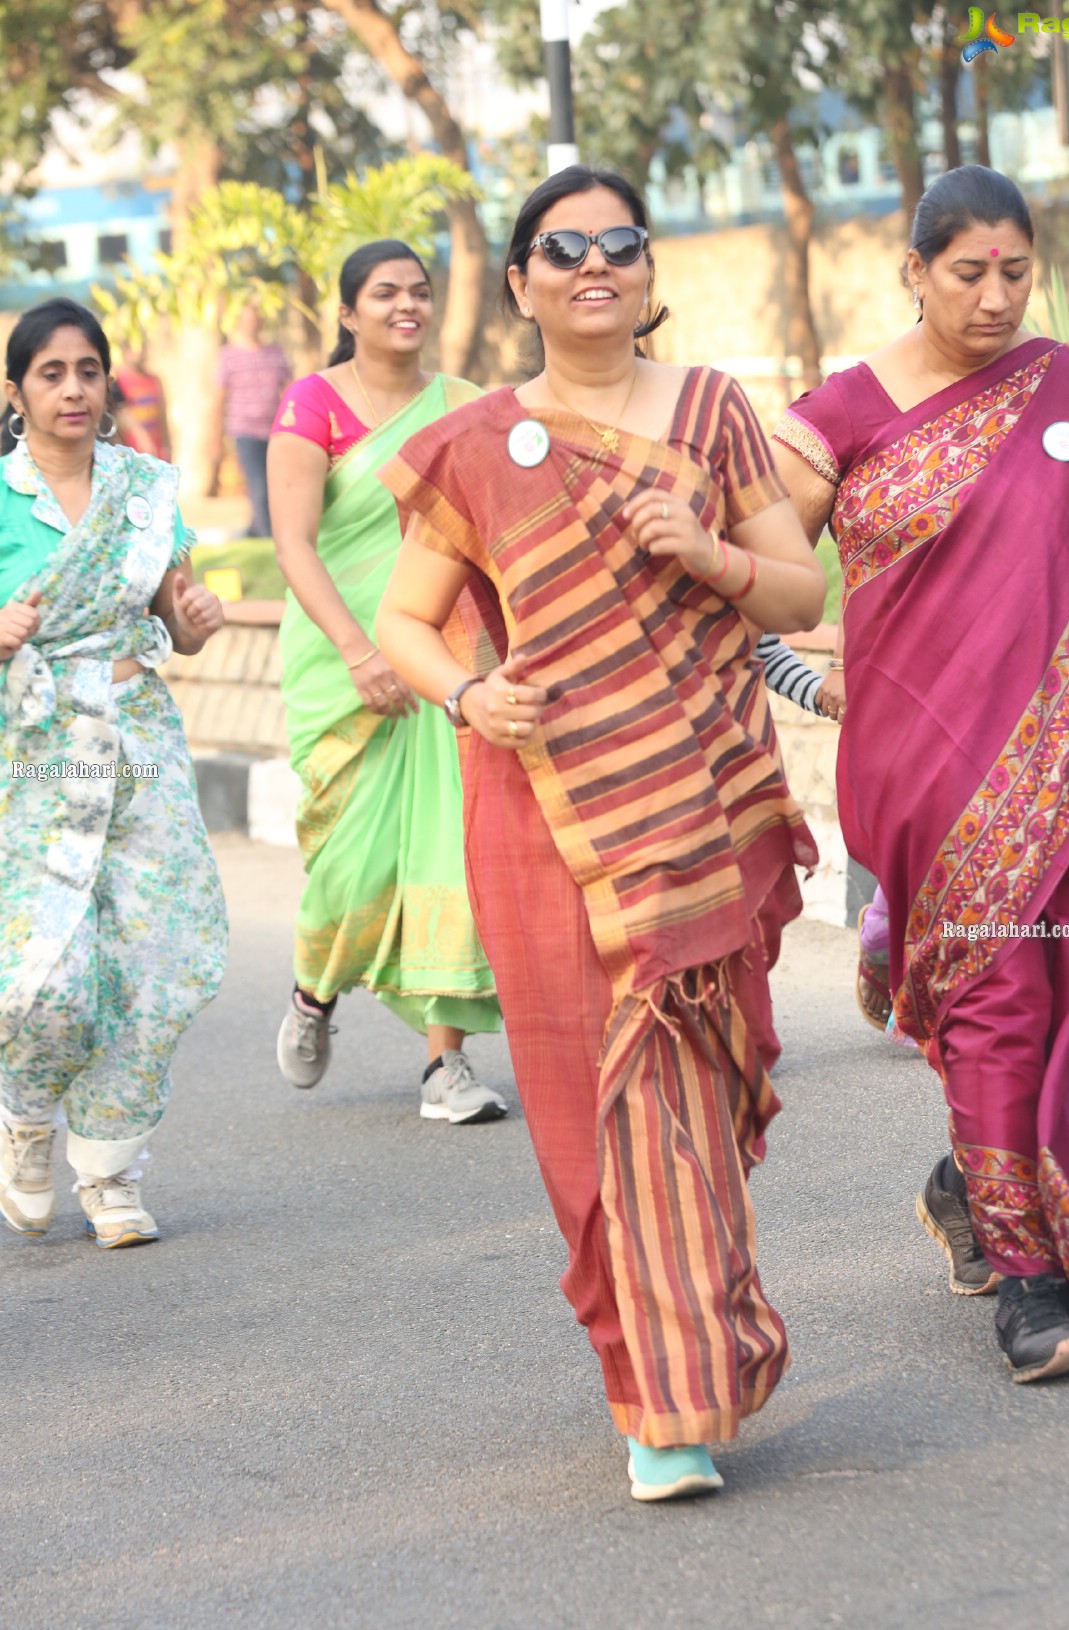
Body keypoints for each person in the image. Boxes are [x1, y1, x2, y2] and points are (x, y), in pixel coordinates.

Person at [375, 166, 826, 1501]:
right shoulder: (473, 446)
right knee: (587, 1100)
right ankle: (654, 1393)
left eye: (619, 243)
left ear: (646, 272)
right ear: (518, 283)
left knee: (683, 1079)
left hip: (700, 808)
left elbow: (798, 585)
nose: (594, 263)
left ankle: (691, 1358)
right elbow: (407, 621)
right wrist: (469, 690)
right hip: (546, 813)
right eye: (561, 247)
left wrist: (709, 550)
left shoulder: (712, 413)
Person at [771, 165, 1069, 1377]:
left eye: (1018, 271)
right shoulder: (840, 416)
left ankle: (973, 1179)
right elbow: (760, 574)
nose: (999, 295)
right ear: (913, 274)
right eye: (971, 273)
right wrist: (784, 667)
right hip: (924, 774)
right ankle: (1028, 1283)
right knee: (1002, 998)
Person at [0, 298, 227, 1247]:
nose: (73, 390)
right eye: (51, 374)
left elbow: (172, 616)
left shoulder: (145, 492)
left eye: (88, 371)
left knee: (157, 958)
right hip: (39, 746)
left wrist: (193, 619)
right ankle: (25, 1115)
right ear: (15, 393)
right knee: (47, 974)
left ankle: (111, 1170)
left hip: (138, 737)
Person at [267, 241, 507, 1123]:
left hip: (440, 653)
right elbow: (293, 542)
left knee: (449, 848)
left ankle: (445, 1065)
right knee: (355, 868)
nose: (405, 306)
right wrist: (361, 652)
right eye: (384, 294)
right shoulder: (312, 404)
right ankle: (313, 987)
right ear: (347, 314)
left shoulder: (462, 407)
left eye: (418, 291)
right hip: (342, 660)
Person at [214, 302, 290, 538]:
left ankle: (255, 530)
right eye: (247, 319)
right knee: (258, 486)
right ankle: (268, 538)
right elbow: (219, 397)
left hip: (275, 430)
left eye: (255, 318)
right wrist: (215, 437)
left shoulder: (275, 353)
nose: (252, 324)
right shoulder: (228, 356)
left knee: (275, 484)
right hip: (245, 430)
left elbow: (289, 389)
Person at [110, 345, 172, 461]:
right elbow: (122, 416)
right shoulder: (117, 382)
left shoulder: (154, 381)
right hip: (131, 456)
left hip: (156, 454)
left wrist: (167, 447)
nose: (139, 353)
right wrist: (142, 438)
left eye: (142, 347)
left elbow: (162, 418)